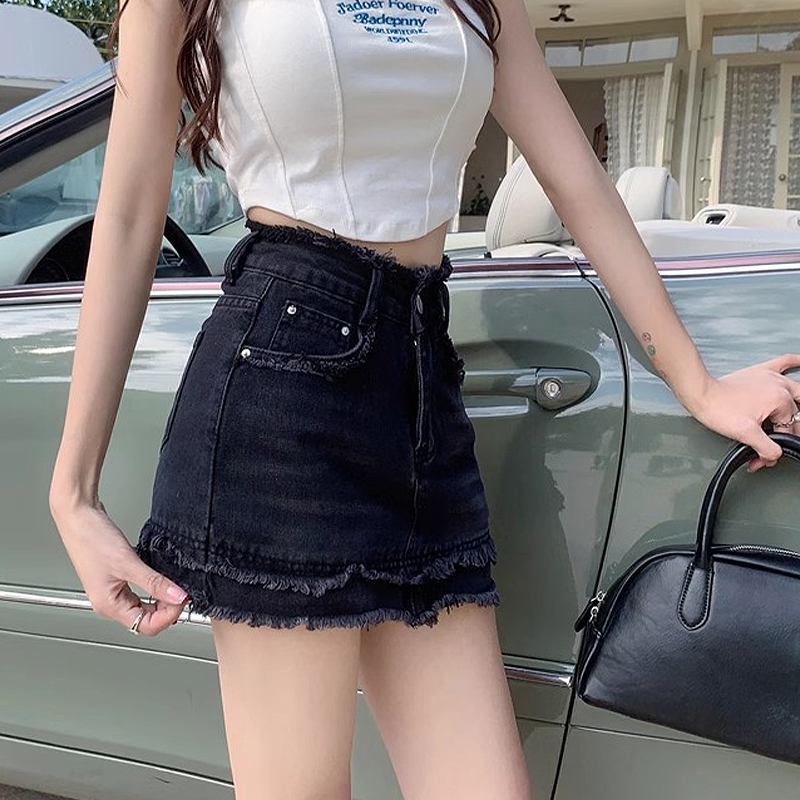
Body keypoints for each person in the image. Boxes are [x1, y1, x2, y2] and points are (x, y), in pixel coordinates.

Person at [47, 0, 800, 796]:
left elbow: (577, 178)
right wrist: (73, 492)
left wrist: (696, 382)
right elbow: (128, 215)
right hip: (280, 380)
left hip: (421, 386)